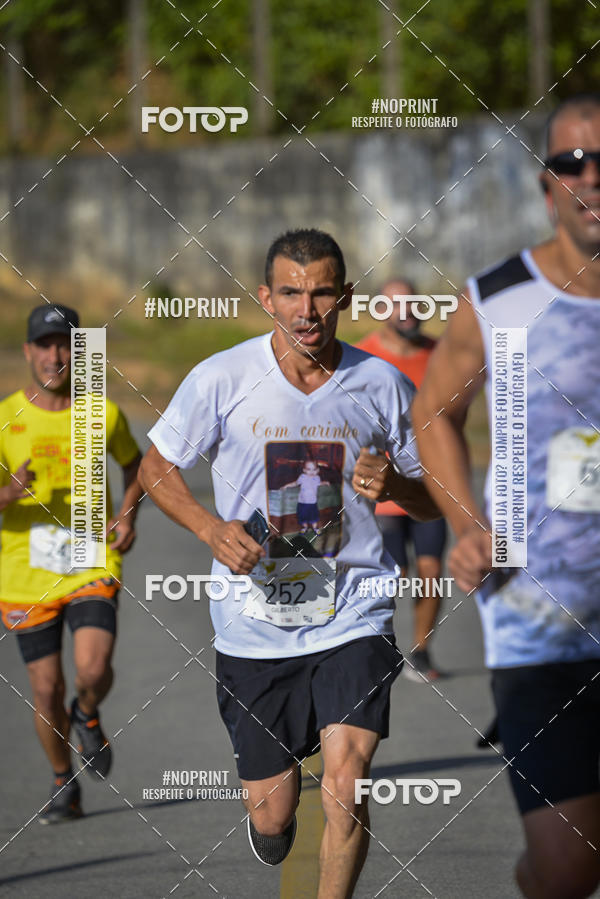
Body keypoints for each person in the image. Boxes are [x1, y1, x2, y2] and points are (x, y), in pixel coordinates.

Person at [139, 228, 439, 898]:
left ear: (346, 297)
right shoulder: (222, 377)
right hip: (254, 624)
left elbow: (432, 501)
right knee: (274, 819)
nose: (308, 309)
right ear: (266, 297)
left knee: (346, 779)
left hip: (352, 610)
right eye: (293, 292)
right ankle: (271, 815)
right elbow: (157, 467)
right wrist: (211, 528)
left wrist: (395, 488)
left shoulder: (381, 384)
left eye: (323, 292)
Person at [413, 94, 600, 899]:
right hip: (538, 622)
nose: (591, 176)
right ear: (546, 183)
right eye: (572, 162)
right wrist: (465, 520)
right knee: (565, 869)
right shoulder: (498, 298)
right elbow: (433, 413)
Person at [0, 304, 143, 823]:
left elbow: (136, 465)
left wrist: (127, 516)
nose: (55, 355)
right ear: (28, 351)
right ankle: (64, 781)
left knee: (92, 668)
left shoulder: (102, 413)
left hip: (90, 556)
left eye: (66, 345)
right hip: (23, 571)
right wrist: (7, 494)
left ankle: (87, 713)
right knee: (45, 688)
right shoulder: (4, 417)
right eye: (45, 344)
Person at [356, 280, 447, 681]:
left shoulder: (439, 354)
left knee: (431, 570)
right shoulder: (361, 358)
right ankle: (382, 647)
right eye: (395, 305)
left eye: (413, 303)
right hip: (383, 489)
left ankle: (421, 650)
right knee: (396, 574)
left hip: (434, 485)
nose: (406, 311)